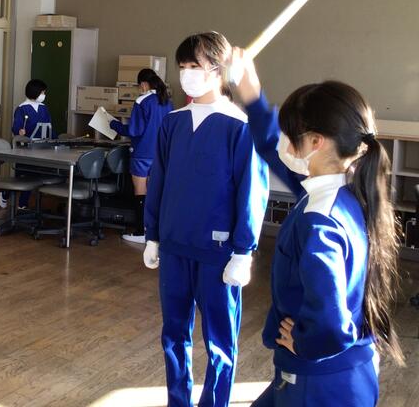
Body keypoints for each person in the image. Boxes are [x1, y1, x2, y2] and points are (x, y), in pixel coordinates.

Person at [231, 47, 404, 406]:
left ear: (315, 142)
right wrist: (251, 94)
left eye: (291, 134)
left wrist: (308, 344)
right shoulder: (346, 192)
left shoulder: (319, 220)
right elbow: (271, 148)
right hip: (345, 371)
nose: (285, 142)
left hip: (318, 379)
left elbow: (330, 317)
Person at [143, 31, 269, 407]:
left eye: (194, 66)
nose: (187, 74)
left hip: (218, 252)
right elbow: (158, 181)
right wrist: (153, 234)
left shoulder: (239, 126)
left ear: (218, 69)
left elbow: (251, 191)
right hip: (175, 245)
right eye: (182, 66)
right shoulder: (173, 123)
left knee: (220, 342)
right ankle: (178, 401)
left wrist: (243, 251)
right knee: (173, 335)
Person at [109, 68, 172, 244]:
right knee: (156, 193)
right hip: (161, 153)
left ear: (143, 84)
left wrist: (114, 124)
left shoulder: (141, 101)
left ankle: (141, 231)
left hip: (142, 154)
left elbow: (134, 130)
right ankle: (155, 231)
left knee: (140, 192)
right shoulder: (167, 101)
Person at [0, 79, 56, 209]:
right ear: (35, 92)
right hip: (25, 149)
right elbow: (16, 128)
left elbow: (49, 126)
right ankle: (6, 192)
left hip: (41, 147)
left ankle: (22, 204)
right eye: (42, 92)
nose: (44, 95)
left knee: (33, 176)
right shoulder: (22, 108)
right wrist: (19, 131)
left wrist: (56, 140)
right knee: (22, 176)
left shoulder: (44, 108)